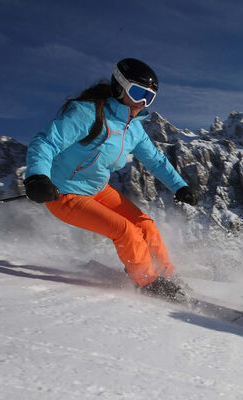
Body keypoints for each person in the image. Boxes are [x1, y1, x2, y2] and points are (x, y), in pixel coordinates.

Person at [24, 58, 199, 300]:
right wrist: (37, 177)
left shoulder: (134, 128)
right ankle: (148, 283)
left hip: (97, 190)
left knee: (145, 225)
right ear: (119, 87)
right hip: (64, 193)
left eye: (149, 98)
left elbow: (155, 161)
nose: (142, 102)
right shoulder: (86, 113)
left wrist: (180, 186)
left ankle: (169, 278)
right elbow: (45, 142)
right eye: (138, 93)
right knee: (126, 231)